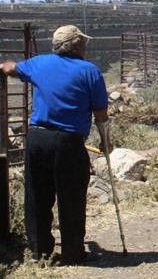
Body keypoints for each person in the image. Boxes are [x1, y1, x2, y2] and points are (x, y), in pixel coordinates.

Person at [0, 25, 110, 265]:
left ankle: (40, 253)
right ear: (76, 45)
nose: (85, 46)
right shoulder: (89, 71)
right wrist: (105, 142)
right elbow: (101, 113)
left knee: (37, 196)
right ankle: (72, 253)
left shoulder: (39, 64)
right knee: (71, 197)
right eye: (83, 43)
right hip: (68, 142)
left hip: (38, 139)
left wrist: (3, 66)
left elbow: (9, 68)